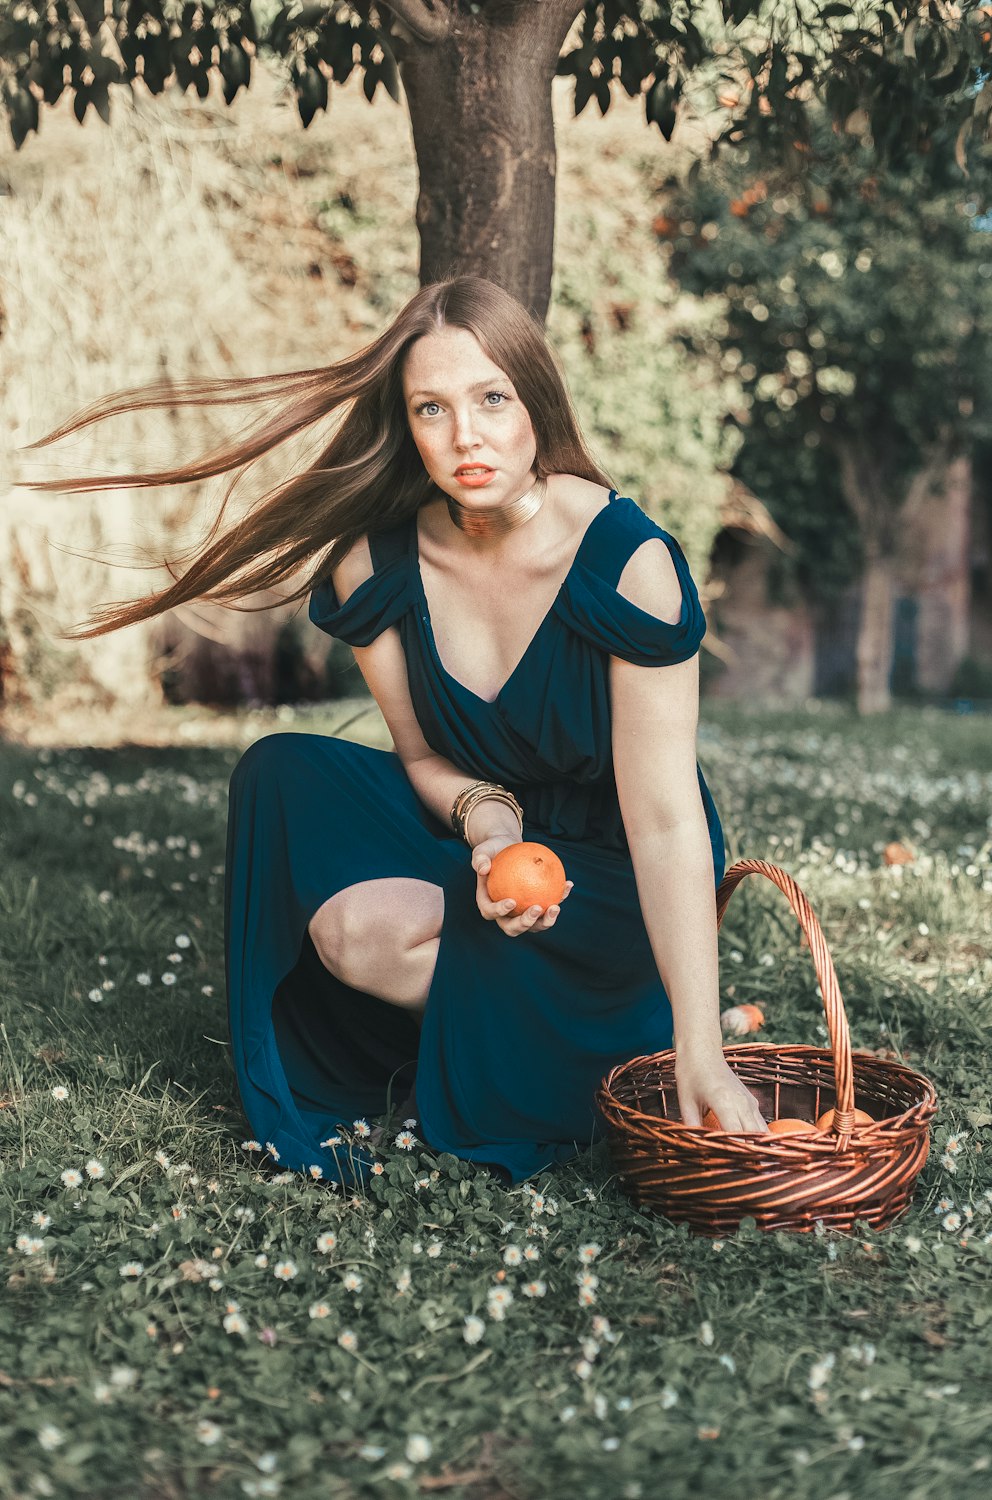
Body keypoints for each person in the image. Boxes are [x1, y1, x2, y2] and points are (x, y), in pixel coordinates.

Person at [25, 274, 769, 1188]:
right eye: (432, 408)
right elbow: (421, 752)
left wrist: (702, 1050)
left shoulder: (627, 563)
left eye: (492, 398)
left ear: (536, 401)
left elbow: (665, 821)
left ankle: (646, 1028)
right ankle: (539, 1039)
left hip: (614, 866)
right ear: (407, 423)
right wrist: (492, 826)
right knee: (292, 795)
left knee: (546, 963)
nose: (466, 436)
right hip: (477, 825)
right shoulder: (371, 564)